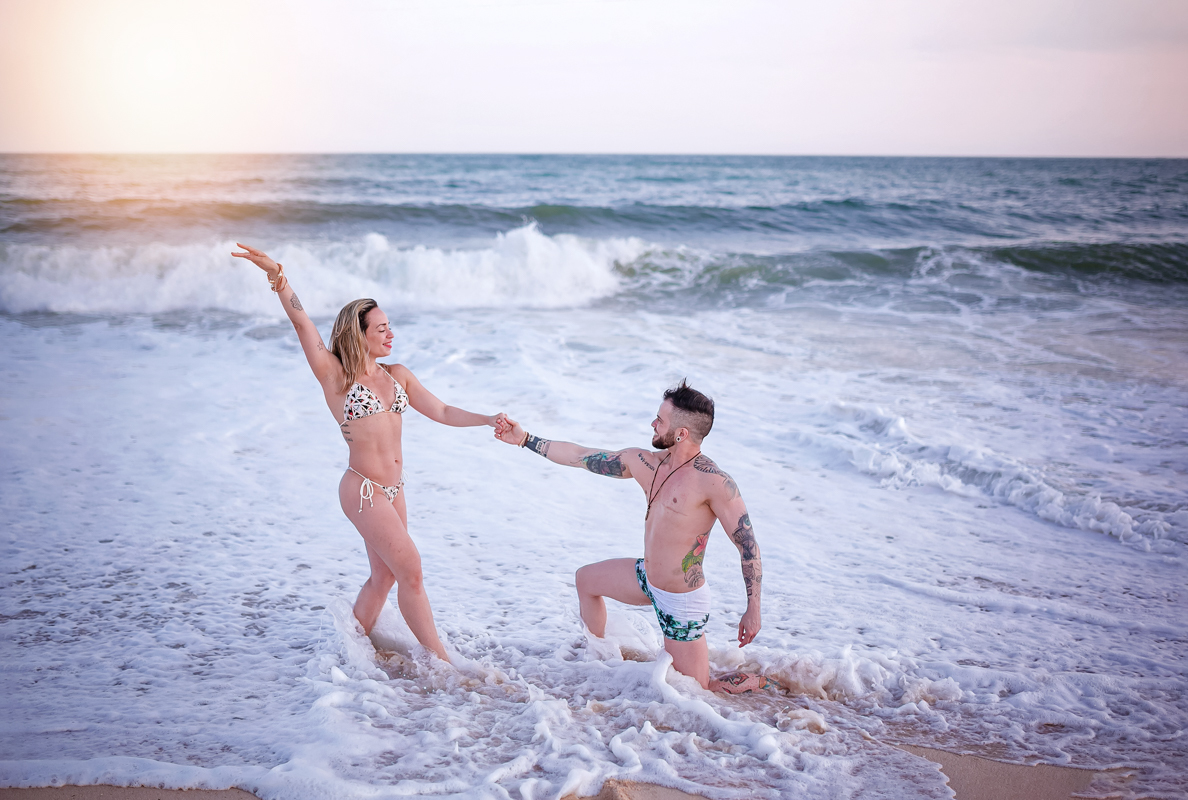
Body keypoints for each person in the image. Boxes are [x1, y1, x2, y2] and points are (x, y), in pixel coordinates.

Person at [233, 243, 503, 662]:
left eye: (389, 326)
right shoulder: (335, 376)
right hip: (362, 490)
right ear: (358, 334)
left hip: (395, 490)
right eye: (381, 328)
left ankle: (351, 649)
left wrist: (487, 420)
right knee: (410, 569)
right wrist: (277, 276)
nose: (390, 334)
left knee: (384, 578)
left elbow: (443, 411)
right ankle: (443, 664)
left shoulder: (398, 376)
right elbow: (302, 324)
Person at [493, 381, 764, 692]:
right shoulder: (644, 463)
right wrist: (525, 439)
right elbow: (581, 456)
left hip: (682, 602)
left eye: (660, 420)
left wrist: (752, 608)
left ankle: (771, 685)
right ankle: (602, 667)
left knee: (698, 692)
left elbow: (747, 545)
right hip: (647, 577)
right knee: (586, 580)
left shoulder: (715, 483)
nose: (653, 423)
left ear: (681, 434)